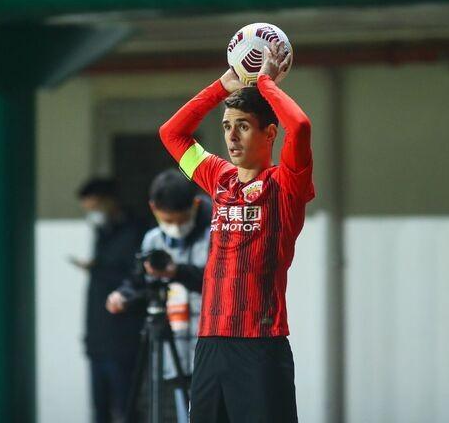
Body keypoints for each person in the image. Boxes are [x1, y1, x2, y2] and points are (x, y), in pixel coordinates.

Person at [158, 40, 314, 422]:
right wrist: (223, 86)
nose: (231, 137)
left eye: (243, 126)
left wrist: (266, 83)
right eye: (227, 126)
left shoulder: (285, 184)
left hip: (260, 345)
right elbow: (172, 133)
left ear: (269, 134)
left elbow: (301, 125)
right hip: (210, 343)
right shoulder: (218, 177)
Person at [106, 169, 211, 423]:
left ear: (195, 205)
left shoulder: (213, 236)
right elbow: (139, 281)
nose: (175, 227)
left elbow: (219, 284)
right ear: (153, 208)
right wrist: (123, 294)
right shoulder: (152, 240)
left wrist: (178, 272)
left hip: (206, 351)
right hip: (166, 354)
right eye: (168, 221)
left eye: (180, 220)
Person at [73, 178, 146, 423]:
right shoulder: (103, 234)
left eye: (94, 207)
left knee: (126, 408)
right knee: (99, 409)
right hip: (98, 340)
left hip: (123, 339)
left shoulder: (134, 230)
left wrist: (99, 268)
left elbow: (135, 279)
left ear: (107, 200)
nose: (92, 214)